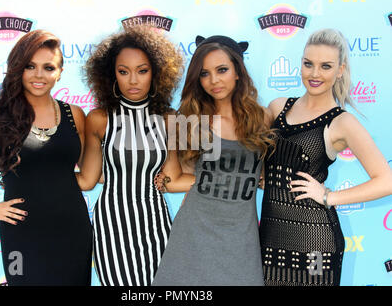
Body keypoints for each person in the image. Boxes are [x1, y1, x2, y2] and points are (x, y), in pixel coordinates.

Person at [0, 30, 93, 285]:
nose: (38, 75)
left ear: (60, 72)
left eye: (48, 67)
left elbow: (87, 177)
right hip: (23, 232)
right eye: (30, 66)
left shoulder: (74, 115)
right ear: (17, 68)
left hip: (73, 229)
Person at [259, 28, 392, 286]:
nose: (315, 74)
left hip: (316, 242)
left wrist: (329, 197)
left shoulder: (342, 122)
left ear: (340, 70)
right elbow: (249, 148)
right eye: (308, 64)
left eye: (326, 66)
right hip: (271, 238)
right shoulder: (277, 106)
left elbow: (386, 181)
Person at [151, 35, 275, 286]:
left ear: (238, 72)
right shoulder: (189, 120)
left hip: (241, 239)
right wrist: (163, 178)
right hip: (194, 235)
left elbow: (261, 174)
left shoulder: (261, 119)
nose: (214, 80)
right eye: (205, 74)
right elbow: (174, 179)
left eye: (222, 70)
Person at [76, 25, 185, 286]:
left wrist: (236, 179)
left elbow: (172, 177)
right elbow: (88, 180)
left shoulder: (171, 119)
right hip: (112, 226)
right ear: (111, 75)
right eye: (123, 72)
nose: (133, 81)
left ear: (157, 72)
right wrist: (36, 173)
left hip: (156, 224)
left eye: (142, 71)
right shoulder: (99, 119)